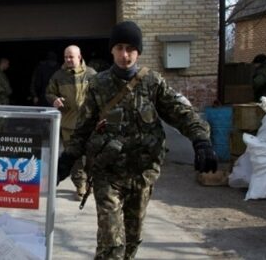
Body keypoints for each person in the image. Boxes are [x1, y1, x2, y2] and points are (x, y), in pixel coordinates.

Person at [56, 21, 218, 260]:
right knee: (112, 244)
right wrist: (68, 158)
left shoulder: (152, 83)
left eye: (130, 48)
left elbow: (181, 113)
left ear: (138, 51)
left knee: (131, 241)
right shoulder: (98, 85)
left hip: (142, 175)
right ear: (111, 50)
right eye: (119, 47)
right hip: (107, 174)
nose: (124, 54)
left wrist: (201, 140)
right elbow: (83, 129)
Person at [46, 45, 96, 201]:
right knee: (74, 158)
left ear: (79, 57)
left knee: (91, 156)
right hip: (69, 124)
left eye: (71, 57)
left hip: (89, 124)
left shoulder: (91, 74)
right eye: (66, 57)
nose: (68, 59)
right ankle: (80, 185)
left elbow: (102, 95)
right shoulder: (58, 76)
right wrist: (54, 99)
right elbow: (49, 92)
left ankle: (91, 182)